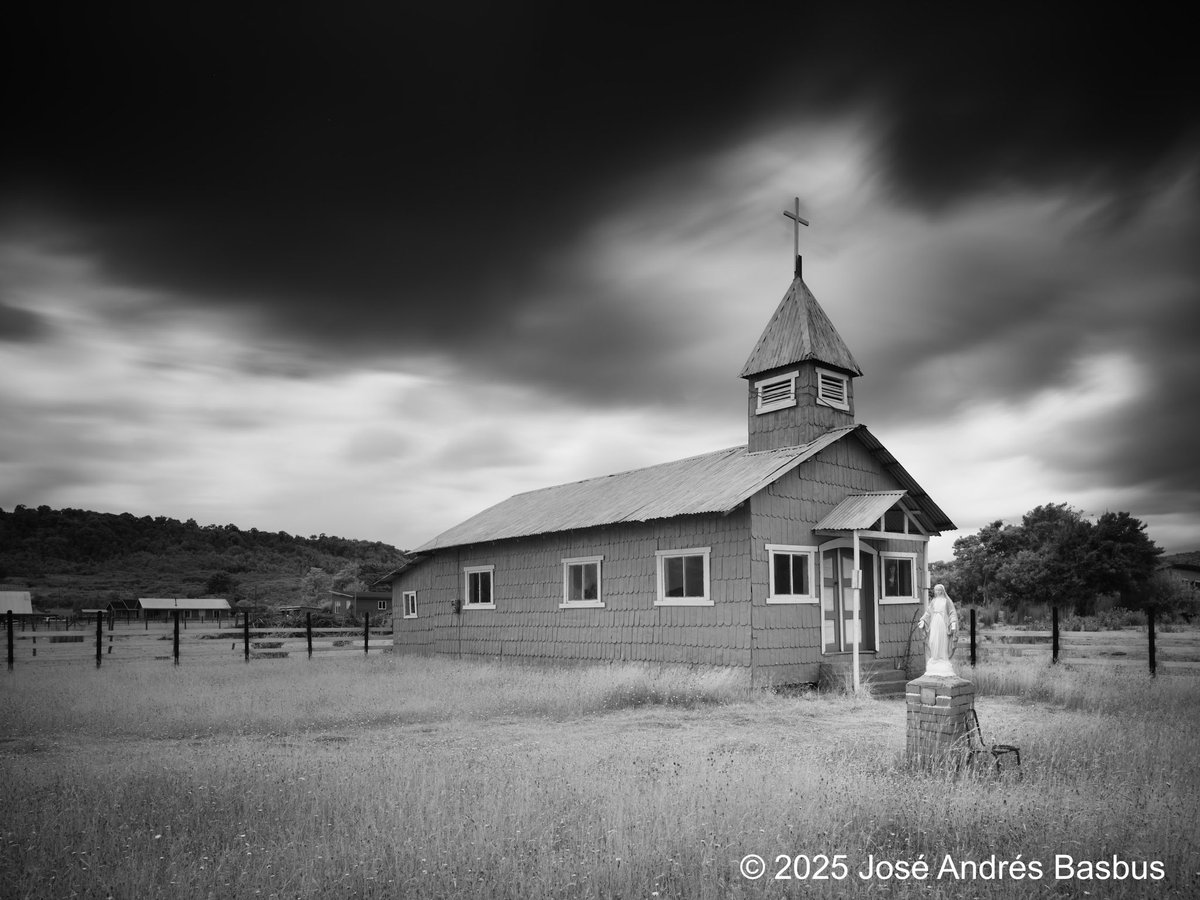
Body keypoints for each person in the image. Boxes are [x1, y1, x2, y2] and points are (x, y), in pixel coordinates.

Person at [918, 583, 959, 677]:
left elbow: (952, 612)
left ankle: (942, 658)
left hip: (942, 624)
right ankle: (935, 658)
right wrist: (923, 621)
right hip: (934, 624)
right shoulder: (933, 601)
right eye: (936, 590)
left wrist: (953, 623)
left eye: (939, 590)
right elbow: (928, 612)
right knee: (933, 641)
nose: (938, 592)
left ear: (943, 591)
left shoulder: (947, 601)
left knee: (942, 640)